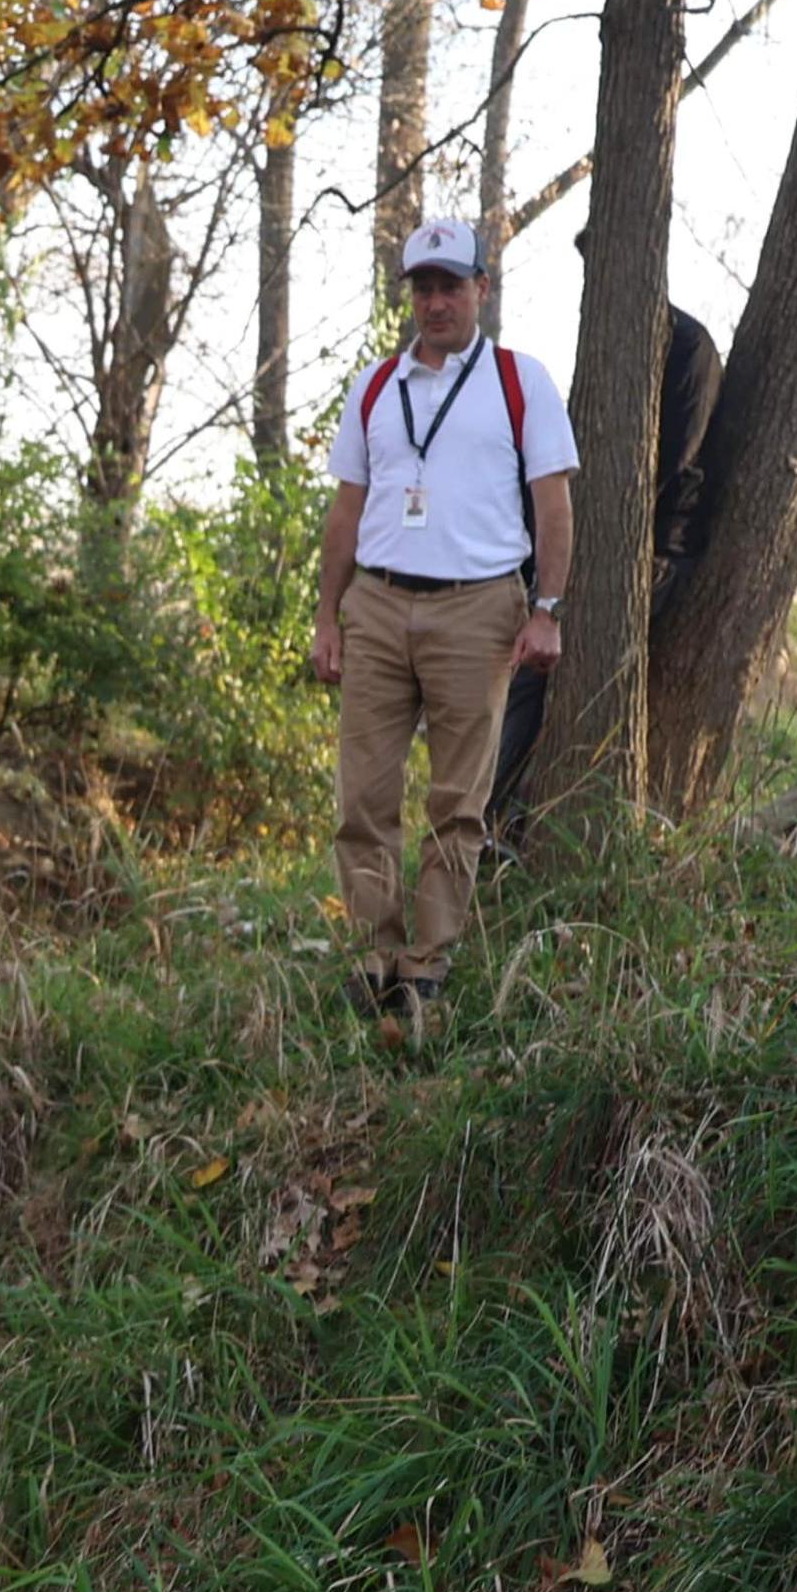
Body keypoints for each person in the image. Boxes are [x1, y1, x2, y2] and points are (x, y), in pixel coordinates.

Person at [307, 215, 577, 1037]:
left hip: (479, 606)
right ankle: (372, 953)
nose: (435, 303)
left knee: (458, 799)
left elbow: (553, 505)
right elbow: (346, 510)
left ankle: (429, 961)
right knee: (365, 792)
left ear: (480, 290)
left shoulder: (517, 380)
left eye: (449, 286)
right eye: (421, 288)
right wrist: (327, 615)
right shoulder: (374, 385)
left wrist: (546, 610)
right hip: (378, 605)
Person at [490, 276, 723, 837]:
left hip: (656, 551)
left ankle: (492, 823)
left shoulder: (686, 347)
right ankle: (499, 821)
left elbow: (667, 462)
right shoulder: (608, 355)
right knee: (515, 673)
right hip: (584, 547)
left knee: (535, 678)